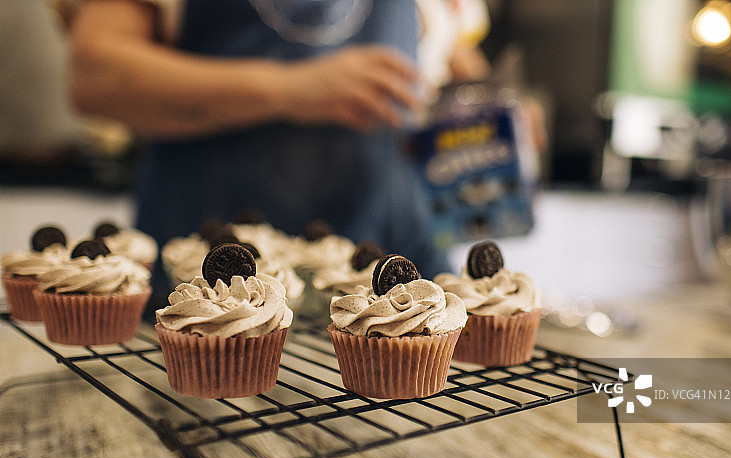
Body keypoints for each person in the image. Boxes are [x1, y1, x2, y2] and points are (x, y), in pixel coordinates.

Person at [70, 0, 492, 294]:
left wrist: (493, 115)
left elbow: (456, 64)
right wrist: (289, 89)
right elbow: (95, 75)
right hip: (210, 268)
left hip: (394, 250)